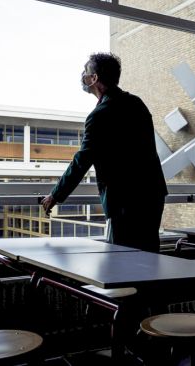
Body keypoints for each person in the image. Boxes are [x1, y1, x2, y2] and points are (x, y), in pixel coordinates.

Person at [40, 52, 168, 253]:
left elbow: (81, 161)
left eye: (86, 72)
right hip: (152, 195)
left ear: (94, 78)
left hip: (126, 201)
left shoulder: (100, 115)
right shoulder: (137, 104)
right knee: (149, 258)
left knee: (126, 261)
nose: (83, 76)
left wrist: (54, 196)